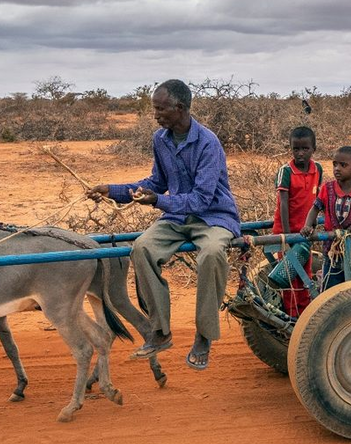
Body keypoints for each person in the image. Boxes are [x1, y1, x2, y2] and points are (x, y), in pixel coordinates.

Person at [90, 79, 240, 372]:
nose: (156, 115)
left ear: (180, 108)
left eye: (160, 109)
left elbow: (201, 199)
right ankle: (160, 331)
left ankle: (204, 336)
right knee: (142, 248)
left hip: (214, 216)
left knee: (210, 254)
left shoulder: (208, 143)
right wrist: (113, 190)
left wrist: (158, 200)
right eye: (154, 109)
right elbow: (156, 182)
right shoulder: (160, 139)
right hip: (177, 218)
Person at [303, 145, 351, 289]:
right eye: (335, 164)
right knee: (331, 284)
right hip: (331, 248)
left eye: (343, 165)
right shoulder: (327, 189)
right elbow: (315, 207)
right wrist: (308, 225)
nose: (337, 168)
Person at [272, 126, 324, 316]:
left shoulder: (317, 169)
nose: (300, 154)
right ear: (290, 148)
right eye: (296, 149)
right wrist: (287, 236)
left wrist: (312, 224)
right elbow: (283, 203)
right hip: (287, 230)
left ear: (313, 149)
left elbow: (317, 199)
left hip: (305, 231)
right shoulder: (285, 171)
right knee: (288, 274)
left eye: (305, 149)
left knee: (305, 272)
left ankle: (304, 312)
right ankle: (291, 315)